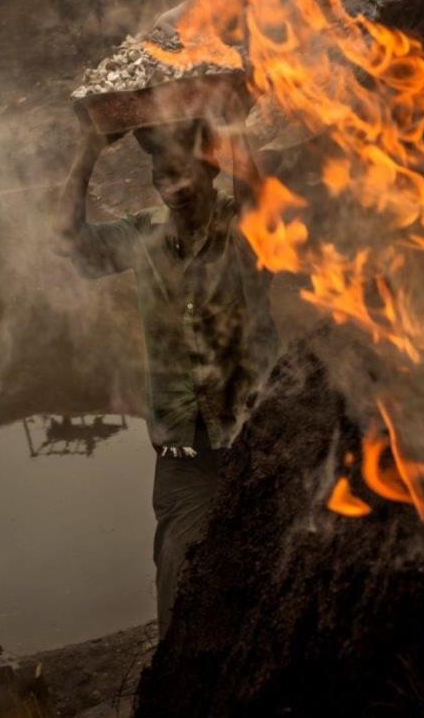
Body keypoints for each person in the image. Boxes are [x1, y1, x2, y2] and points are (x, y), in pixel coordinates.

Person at [54, 115, 280, 634]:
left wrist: (234, 119)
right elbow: (68, 241)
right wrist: (88, 150)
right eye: (162, 178)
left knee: (276, 561)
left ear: (211, 172)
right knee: (181, 571)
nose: (173, 189)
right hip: (185, 449)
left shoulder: (242, 226)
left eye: (184, 175)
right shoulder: (141, 234)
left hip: (260, 433)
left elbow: (259, 199)